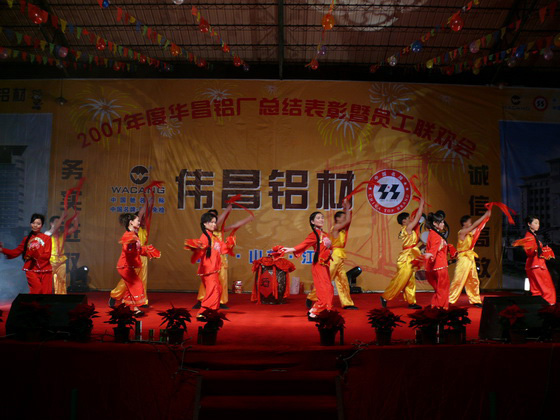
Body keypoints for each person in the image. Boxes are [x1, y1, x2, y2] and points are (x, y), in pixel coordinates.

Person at [194, 205, 253, 309]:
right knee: (208, 280)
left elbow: (235, 225)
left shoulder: (220, 230)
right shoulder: (207, 232)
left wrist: (247, 219)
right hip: (210, 259)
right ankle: (202, 300)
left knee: (222, 280)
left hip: (221, 259)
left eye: (214, 219)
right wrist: (227, 210)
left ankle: (220, 301)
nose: (213, 222)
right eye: (211, 219)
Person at [282, 212, 334, 320]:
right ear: (312, 222)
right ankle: (314, 313)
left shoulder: (324, 234)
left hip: (325, 264)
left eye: (322, 217)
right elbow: (304, 244)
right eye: (318, 218)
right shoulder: (314, 235)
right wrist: (290, 249)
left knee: (328, 288)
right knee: (323, 289)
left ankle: (322, 310)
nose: (321, 219)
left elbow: (330, 248)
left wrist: (329, 251)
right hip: (319, 265)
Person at [307, 200, 357, 310]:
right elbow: (348, 220)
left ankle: (347, 303)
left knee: (343, 280)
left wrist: (346, 209)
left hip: (340, 256)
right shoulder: (336, 227)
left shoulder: (341, 229)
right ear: (338, 219)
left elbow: (348, 221)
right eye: (343, 217)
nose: (345, 219)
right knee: (326, 279)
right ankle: (311, 297)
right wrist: (347, 208)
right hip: (334, 257)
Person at [185, 212, 234, 319]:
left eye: (214, 222)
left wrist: (229, 244)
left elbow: (222, 249)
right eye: (211, 222)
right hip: (208, 269)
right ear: (204, 224)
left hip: (214, 268)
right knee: (213, 291)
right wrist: (196, 248)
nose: (213, 224)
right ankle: (202, 312)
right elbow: (200, 250)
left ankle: (211, 311)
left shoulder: (214, 237)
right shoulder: (205, 236)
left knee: (217, 290)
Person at [380, 197, 425, 309]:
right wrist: (421, 204)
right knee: (401, 280)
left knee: (410, 280)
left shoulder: (410, 230)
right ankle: (385, 297)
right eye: (409, 218)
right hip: (406, 258)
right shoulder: (407, 228)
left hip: (411, 256)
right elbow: (418, 217)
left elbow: (414, 242)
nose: (411, 219)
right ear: (404, 221)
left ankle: (411, 302)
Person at [109, 199, 152, 308]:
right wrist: (147, 202)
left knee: (142, 280)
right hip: (134, 257)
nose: (142, 221)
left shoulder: (144, 229)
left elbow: (146, 215)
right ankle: (115, 295)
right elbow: (141, 214)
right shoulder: (135, 230)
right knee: (129, 281)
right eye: (140, 219)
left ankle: (142, 301)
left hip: (143, 256)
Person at [115, 213, 160, 315]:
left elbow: (137, 250)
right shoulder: (128, 235)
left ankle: (131, 309)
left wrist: (148, 251)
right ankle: (133, 308)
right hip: (125, 266)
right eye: (137, 221)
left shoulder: (134, 235)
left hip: (129, 266)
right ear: (131, 222)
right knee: (137, 285)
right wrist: (132, 245)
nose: (139, 222)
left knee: (131, 287)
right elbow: (127, 249)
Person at [0, 213, 53, 294]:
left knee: (46, 293)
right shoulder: (26, 239)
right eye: (33, 223)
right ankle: (31, 302)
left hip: (45, 269)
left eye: (38, 224)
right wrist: (2, 250)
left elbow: (47, 255)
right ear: (30, 224)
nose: (35, 225)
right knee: (37, 290)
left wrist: (34, 254)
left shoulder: (47, 238)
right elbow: (15, 252)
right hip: (31, 268)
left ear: (42, 225)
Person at [448, 210, 491, 307]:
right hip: (463, 258)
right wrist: (484, 215)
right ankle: (450, 299)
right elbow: (475, 225)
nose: (471, 223)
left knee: (473, 279)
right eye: (469, 222)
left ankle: (475, 300)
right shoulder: (462, 232)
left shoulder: (470, 233)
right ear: (464, 223)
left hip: (470, 258)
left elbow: (479, 227)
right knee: (458, 279)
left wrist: (486, 218)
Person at [514, 216, 556, 304]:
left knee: (536, 289)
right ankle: (550, 306)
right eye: (536, 223)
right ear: (529, 224)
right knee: (547, 288)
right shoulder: (530, 237)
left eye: (538, 223)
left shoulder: (531, 236)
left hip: (532, 265)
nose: (538, 225)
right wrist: (544, 251)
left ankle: (539, 307)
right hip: (538, 265)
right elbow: (531, 251)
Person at [45, 213, 79, 295]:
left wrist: (75, 218)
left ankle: (61, 298)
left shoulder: (62, 233)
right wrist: (62, 217)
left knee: (61, 281)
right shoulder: (47, 233)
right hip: (50, 261)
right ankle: (46, 298)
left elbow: (74, 228)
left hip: (61, 261)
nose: (59, 224)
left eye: (60, 222)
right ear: (51, 223)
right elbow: (54, 229)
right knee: (47, 282)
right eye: (57, 222)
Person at [424, 211, 452, 309]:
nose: (443, 224)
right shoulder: (435, 235)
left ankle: (436, 306)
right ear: (435, 223)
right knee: (443, 288)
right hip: (440, 265)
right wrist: (430, 256)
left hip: (437, 265)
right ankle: (441, 308)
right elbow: (433, 250)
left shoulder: (433, 233)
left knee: (440, 289)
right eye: (442, 222)